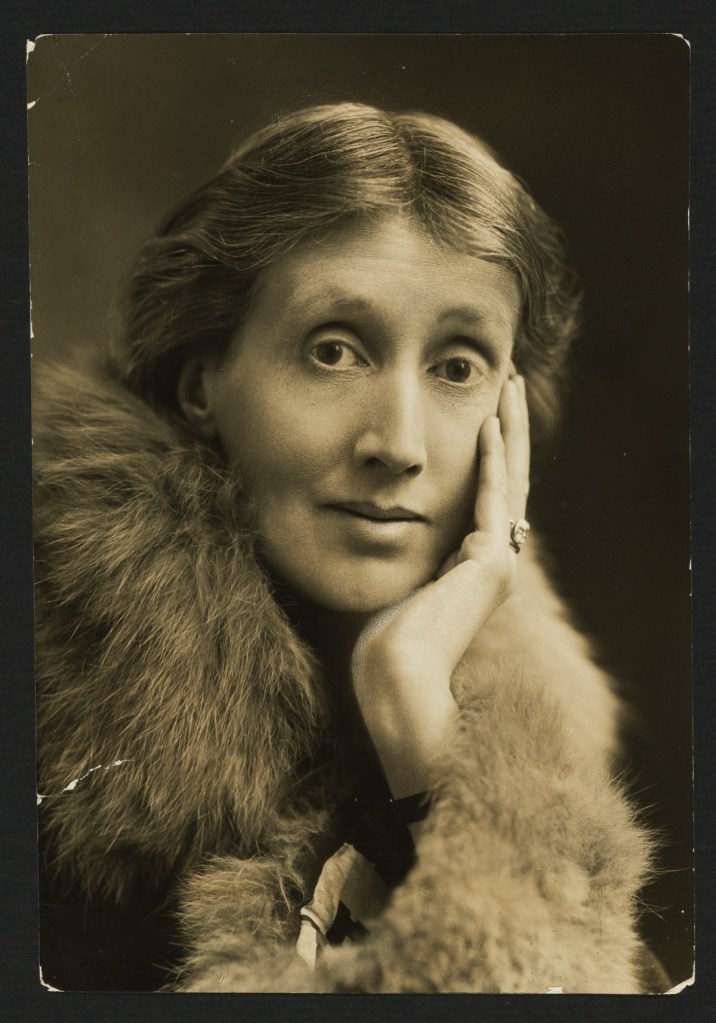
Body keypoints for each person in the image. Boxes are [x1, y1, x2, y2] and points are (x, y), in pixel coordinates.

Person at [34, 102, 664, 993]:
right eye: (334, 351)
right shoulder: (50, 742)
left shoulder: (543, 766)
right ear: (201, 382)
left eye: (457, 367)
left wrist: (422, 722)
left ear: (509, 418)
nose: (398, 444)